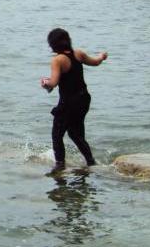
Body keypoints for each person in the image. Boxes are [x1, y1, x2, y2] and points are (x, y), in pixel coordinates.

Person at [41, 28, 107, 169]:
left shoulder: (58, 60)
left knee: (57, 135)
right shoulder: (78, 54)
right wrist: (101, 56)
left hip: (68, 103)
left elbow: (53, 83)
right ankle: (90, 162)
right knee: (76, 134)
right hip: (83, 100)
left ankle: (60, 166)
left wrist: (45, 83)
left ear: (53, 45)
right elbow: (95, 62)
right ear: (68, 40)